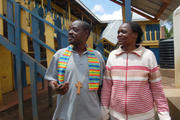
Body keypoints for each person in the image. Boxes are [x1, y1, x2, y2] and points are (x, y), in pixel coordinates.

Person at [101, 21, 171, 120]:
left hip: (144, 116)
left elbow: (157, 89)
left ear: (135, 34)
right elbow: (107, 87)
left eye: (123, 32)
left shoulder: (148, 55)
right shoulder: (112, 55)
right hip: (116, 116)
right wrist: (104, 109)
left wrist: (164, 114)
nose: (119, 35)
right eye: (118, 32)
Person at [44, 20, 105, 120]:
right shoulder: (60, 55)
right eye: (70, 29)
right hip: (66, 112)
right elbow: (51, 78)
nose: (70, 32)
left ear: (86, 34)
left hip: (92, 114)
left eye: (75, 30)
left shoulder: (97, 57)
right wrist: (55, 87)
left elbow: (101, 86)